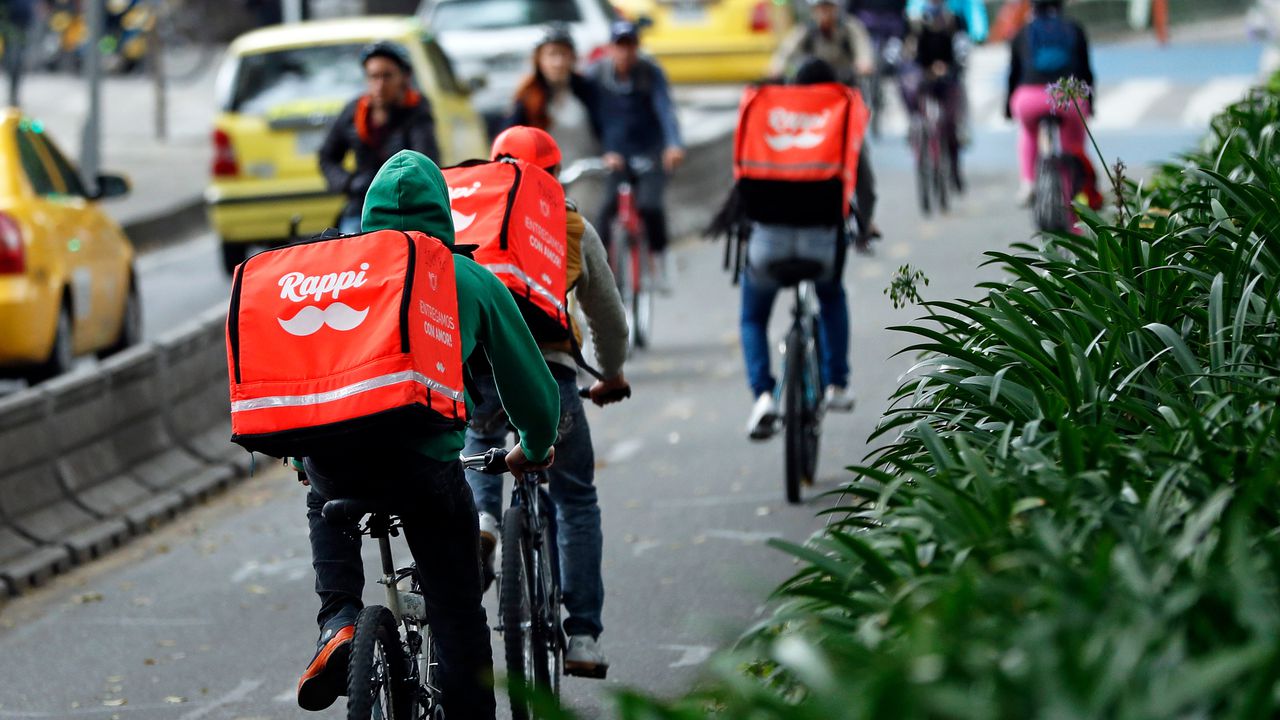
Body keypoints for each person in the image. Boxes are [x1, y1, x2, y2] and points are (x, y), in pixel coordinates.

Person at [296, 150, 561, 720]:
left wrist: (301, 450)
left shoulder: (338, 275)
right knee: (458, 609)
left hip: (335, 458)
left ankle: (338, 623)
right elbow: (532, 390)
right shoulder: (467, 277)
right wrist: (534, 448)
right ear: (443, 213)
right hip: (422, 467)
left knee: (322, 497)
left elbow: (306, 368)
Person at [462, 125, 631, 678]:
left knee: (481, 434)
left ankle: (484, 518)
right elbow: (606, 314)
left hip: (477, 369)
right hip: (552, 375)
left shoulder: (471, 212)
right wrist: (610, 373)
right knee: (575, 499)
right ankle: (582, 635)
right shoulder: (570, 222)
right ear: (555, 174)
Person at [735, 57, 861, 438]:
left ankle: (763, 397)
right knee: (832, 296)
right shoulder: (838, 120)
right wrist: (865, 224)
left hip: (766, 245)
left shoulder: (767, 116)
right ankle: (837, 383)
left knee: (753, 318)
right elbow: (861, 185)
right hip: (822, 245)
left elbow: (743, 180)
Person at [772, 0, 881, 244]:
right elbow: (784, 53)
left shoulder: (850, 29)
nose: (825, 13)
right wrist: (776, 68)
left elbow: (864, 50)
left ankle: (865, 221)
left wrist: (864, 64)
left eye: (829, 7)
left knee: (860, 162)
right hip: (811, 112)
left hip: (845, 108)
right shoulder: (806, 33)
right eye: (820, 8)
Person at [588, 20, 684, 290]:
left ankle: (662, 257)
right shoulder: (597, 74)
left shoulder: (650, 73)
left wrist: (673, 145)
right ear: (610, 48)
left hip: (649, 150)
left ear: (637, 47)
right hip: (614, 153)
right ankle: (599, 272)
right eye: (619, 46)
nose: (625, 53)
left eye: (630, 46)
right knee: (605, 210)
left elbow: (665, 110)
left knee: (650, 206)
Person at [319, 41, 441, 235]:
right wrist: (349, 183)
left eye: (387, 76)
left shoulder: (417, 112)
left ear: (404, 77)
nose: (380, 85)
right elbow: (327, 156)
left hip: (403, 213)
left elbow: (426, 162)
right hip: (360, 209)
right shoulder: (354, 112)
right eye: (373, 76)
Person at [1005, 0, 1094, 205]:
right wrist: (1090, 103)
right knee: (1073, 145)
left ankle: (1028, 182)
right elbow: (1086, 73)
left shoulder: (1022, 33)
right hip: (1069, 99)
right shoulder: (1074, 29)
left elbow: (1013, 76)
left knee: (1028, 133)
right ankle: (1075, 191)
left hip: (1029, 100)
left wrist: (1007, 110)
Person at [505, 23, 604, 168]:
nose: (558, 63)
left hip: (587, 174)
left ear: (573, 57)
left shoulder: (588, 90)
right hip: (544, 177)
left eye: (563, 54)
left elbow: (610, 125)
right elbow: (510, 138)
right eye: (552, 54)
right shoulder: (528, 95)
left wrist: (612, 151)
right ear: (539, 59)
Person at [902, 0, 968, 191]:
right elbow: (907, 51)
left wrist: (949, 68)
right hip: (923, 78)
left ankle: (954, 169)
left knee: (950, 125)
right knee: (911, 95)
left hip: (948, 78)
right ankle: (915, 128)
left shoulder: (953, 19)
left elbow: (962, 49)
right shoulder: (914, 20)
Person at [0, 0, 33, 106]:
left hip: (23, 27)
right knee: (12, 62)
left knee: (17, 64)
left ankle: (14, 93)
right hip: (8, 26)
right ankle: (13, 93)